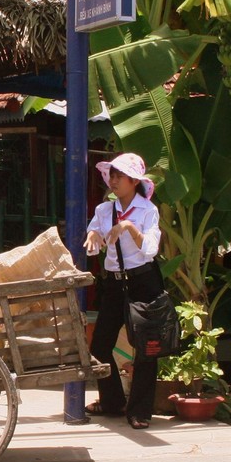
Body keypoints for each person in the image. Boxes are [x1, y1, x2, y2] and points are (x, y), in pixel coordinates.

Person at [82, 153, 162, 430]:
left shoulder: (147, 210)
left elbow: (150, 249)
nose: (113, 180)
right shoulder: (105, 210)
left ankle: (140, 411)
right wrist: (93, 236)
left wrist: (128, 227)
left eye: (119, 176)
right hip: (115, 283)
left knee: (146, 348)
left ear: (133, 181)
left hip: (143, 280)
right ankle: (113, 401)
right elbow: (94, 239)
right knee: (101, 344)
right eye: (111, 175)